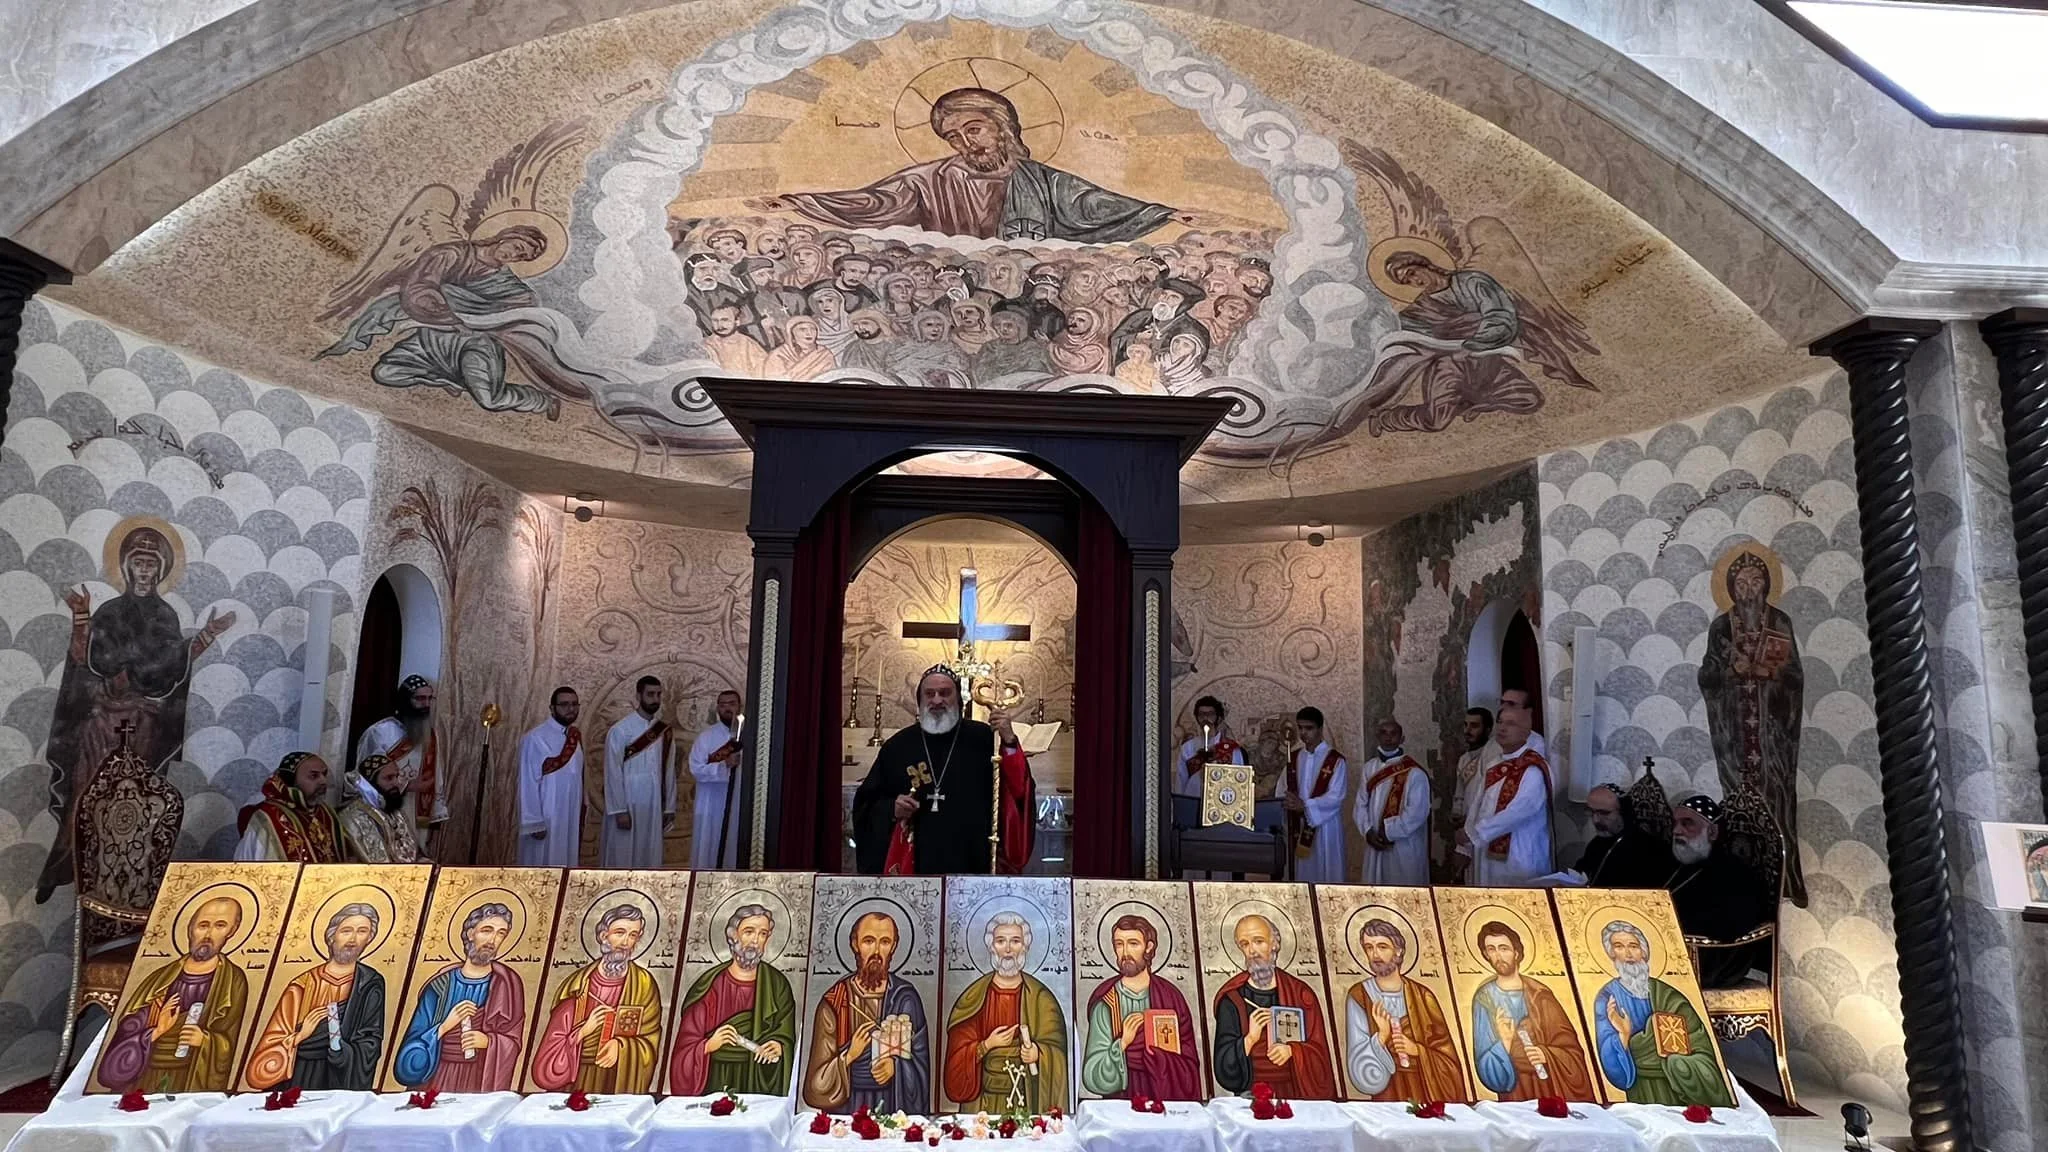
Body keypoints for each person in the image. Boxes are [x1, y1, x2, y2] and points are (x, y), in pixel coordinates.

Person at [38, 525, 233, 901]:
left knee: (133, 802)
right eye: (138, 563)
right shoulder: (110, 611)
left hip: (142, 724)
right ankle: (66, 864)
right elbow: (84, 659)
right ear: (127, 568)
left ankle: (125, 884)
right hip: (103, 721)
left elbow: (176, 662)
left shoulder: (164, 616)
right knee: (86, 793)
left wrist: (208, 635)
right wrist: (81, 616)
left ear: (160, 571)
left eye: (151, 565)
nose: (144, 571)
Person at [752, 88, 1184, 243]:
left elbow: (1094, 205)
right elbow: (874, 202)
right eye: (953, 137)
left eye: (973, 130)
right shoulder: (931, 179)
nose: (964, 143)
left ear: (1002, 127)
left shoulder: (1042, 181)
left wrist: (1166, 214)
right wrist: (799, 201)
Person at [850, 666, 1033, 876]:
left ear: (959, 700)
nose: (937, 700)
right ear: (919, 700)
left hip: (973, 859)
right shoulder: (898, 747)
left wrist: (1009, 741)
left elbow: (1016, 790)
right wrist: (892, 808)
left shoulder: (985, 739)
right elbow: (866, 805)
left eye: (945, 693)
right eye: (930, 694)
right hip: (915, 865)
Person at [1699, 550, 1806, 905]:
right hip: (1735, 738)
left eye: (1755, 581)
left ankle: (1785, 881)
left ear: (1767, 585)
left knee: (1775, 802)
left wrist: (1767, 672)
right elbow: (1707, 676)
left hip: (1772, 736)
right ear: (1731, 588)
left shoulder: (1780, 622)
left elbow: (1794, 676)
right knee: (1737, 808)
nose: (1748, 589)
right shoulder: (1721, 628)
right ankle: (1739, 881)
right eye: (1741, 583)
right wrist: (1732, 670)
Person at [100, 894, 250, 1093]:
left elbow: (231, 1039)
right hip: (146, 1074)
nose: (208, 934)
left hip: (191, 1076)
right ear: (190, 928)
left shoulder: (232, 981)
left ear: (232, 931)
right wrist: (155, 1032)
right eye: (203, 925)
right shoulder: (160, 979)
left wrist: (205, 1041)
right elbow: (126, 1032)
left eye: (220, 926)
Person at [1589, 921, 1732, 1107]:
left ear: (1644, 951)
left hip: (1677, 1078)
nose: (1629, 954)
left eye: (1634, 946)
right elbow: (1607, 1055)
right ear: (1611, 954)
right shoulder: (1607, 997)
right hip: (1642, 1082)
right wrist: (1623, 1035)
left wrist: (1680, 1063)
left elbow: (1698, 1039)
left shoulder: (1666, 993)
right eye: (1619, 947)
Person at [245, 903, 386, 1091]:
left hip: (339, 1076)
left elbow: (370, 1041)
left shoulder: (370, 983)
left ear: (369, 938)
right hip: (296, 1074)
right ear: (331, 935)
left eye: (362, 932)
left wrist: (342, 1051)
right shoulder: (302, 984)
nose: (353, 939)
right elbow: (269, 1048)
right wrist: (301, 1036)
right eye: (346, 931)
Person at [802, 911, 931, 1114]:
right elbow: (815, 1086)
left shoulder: (906, 998)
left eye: (885, 942)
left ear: (894, 946)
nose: (877, 951)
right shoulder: (836, 1001)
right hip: (847, 1108)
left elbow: (921, 1066)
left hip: (893, 1105)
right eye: (869, 941)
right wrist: (849, 1056)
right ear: (855, 944)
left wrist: (896, 1067)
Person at [393, 902, 527, 1092]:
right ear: (471, 933)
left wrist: (489, 1042)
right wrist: (445, 1026)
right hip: (436, 1079)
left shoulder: (508, 985)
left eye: (501, 933)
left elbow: (514, 1040)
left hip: (479, 1079)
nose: (493, 940)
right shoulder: (439, 986)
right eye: (486, 930)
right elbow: (408, 1057)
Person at [531, 904, 665, 1093]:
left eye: (633, 935)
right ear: (604, 936)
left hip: (617, 1078)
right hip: (574, 1076)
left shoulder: (643, 984)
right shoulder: (576, 986)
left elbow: (649, 1038)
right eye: (619, 932)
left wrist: (621, 1047)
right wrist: (582, 1032)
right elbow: (549, 1052)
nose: (626, 942)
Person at [943, 913, 1069, 1114]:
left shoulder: (1042, 999)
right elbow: (956, 1060)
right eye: (1001, 941)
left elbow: (1059, 1053)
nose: (1008, 949)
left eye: (1016, 941)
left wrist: (1039, 1053)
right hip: (982, 1104)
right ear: (991, 946)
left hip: (1027, 1100)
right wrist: (986, 1045)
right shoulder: (973, 998)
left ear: (1025, 946)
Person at [669, 903, 797, 1096]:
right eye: (749, 931)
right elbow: (684, 1049)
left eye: (763, 934)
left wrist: (779, 1045)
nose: (755, 940)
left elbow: (785, 1033)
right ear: (733, 935)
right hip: (714, 1079)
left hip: (757, 1080)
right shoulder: (710, 985)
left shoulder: (778, 985)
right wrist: (708, 1045)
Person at [1209, 914, 1336, 1099]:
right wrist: (1250, 1039)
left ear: (1274, 943)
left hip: (1297, 1091)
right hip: (1251, 1093)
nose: (1252, 950)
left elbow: (1320, 1054)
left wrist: (1293, 1051)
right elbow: (1223, 1066)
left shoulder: (1301, 994)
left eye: (1258, 941)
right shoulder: (1232, 998)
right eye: (1245, 944)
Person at [1342, 919, 1465, 1103]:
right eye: (1369, 947)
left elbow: (1449, 1060)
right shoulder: (1359, 996)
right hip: (1387, 1094)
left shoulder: (1423, 997)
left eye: (1382, 946)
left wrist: (1416, 1050)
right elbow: (1359, 1069)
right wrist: (1382, 1036)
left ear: (1398, 950)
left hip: (1426, 1089)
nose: (1375, 954)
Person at [1468, 921, 1593, 1101]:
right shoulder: (1484, 999)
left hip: (1551, 1086)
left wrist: (1546, 1054)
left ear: (1516, 952)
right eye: (1491, 949)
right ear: (1486, 955)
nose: (1498, 956)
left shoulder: (1540, 994)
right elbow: (1484, 1064)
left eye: (1504, 948)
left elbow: (1572, 1051)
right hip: (1515, 1093)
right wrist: (1504, 1041)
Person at [1080, 914, 1201, 1100]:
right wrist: (1122, 1043)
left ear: (1149, 947)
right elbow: (1092, 1074)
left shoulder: (1171, 998)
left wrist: (1160, 1059)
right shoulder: (1106, 1002)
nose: (1125, 952)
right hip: (1119, 1102)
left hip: (1165, 1102)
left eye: (1133, 943)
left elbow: (1190, 1066)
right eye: (1119, 944)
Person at [1663, 795, 1771, 989]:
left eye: (1687, 824)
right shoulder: (1679, 868)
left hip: (1716, 963)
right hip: (1678, 953)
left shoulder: (1735, 875)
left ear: (1712, 832)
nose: (1677, 831)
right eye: (1676, 823)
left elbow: (1728, 928)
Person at [1461, 690, 1552, 885]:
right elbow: (1475, 805)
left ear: (1526, 731)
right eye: (1500, 723)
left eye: (1510, 724)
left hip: (1519, 854)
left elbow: (1521, 811)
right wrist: (1465, 845)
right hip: (1484, 851)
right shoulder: (1494, 763)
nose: (1502, 729)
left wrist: (1477, 832)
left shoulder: (1533, 768)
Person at [353, 674, 442, 848]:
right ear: (405, 701)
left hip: (418, 809)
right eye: (420, 699)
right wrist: (407, 785)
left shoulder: (429, 734)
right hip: (388, 806)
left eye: (429, 698)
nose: (426, 704)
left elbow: (436, 772)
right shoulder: (380, 732)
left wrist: (436, 812)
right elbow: (366, 776)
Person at [603, 676, 676, 869]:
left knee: (649, 856)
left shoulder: (664, 731)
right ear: (638, 695)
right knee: (623, 855)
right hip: (628, 803)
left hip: (653, 805)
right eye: (650, 694)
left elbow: (668, 770)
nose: (655, 699)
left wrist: (669, 806)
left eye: (659, 694)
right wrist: (619, 810)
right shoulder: (620, 730)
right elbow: (612, 771)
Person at [1351, 719, 1430, 886]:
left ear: (1402, 738)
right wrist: (1367, 831)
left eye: (1393, 733)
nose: (1388, 738)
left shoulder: (1415, 773)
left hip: (1403, 846)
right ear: (1377, 737)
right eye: (1383, 733)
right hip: (1374, 843)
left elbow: (1417, 813)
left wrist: (1389, 833)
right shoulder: (1369, 768)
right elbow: (1360, 804)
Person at [1277, 707, 1347, 884]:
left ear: (1320, 729)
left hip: (1325, 825)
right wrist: (1287, 802)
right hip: (1298, 825)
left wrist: (1306, 805)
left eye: (1309, 728)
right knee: (1300, 874)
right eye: (1300, 728)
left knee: (1325, 874)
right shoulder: (1293, 758)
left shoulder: (1335, 760)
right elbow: (1282, 788)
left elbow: (1336, 796)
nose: (1303, 733)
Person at [234, 751, 342, 864]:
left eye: (324, 774)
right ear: (291, 781)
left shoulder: (326, 814)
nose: (323, 781)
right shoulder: (268, 818)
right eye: (314, 776)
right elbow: (250, 866)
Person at [518, 687, 584, 867]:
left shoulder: (574, 738)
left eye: (574, 704)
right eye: (564, 704)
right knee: (541, 863)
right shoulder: (536, 738)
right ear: (552, 708)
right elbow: (527, 781)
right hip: (546, 814)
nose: (570, 709)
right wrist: (533, 821)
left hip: (570, 814)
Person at [1567, 783, 1666, 888]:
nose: (1595, 820)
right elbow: (1578, 873)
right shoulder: (1597, 843)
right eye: (1591, 811)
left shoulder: (1649, 849)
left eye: (1604, 813)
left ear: (1623, 813)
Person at [687, 691, 743, 868]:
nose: (728, 708)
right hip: (711, 803)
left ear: (739, 706)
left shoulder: (752, 735)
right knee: (710, 848)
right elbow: (696, 769)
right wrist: (723, 765)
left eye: (732, 703)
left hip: (739, 802)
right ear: (718, 708)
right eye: (723, 704)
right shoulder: (706, 738)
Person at [337, 753, 422, 864]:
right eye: (389, 778)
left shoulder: (395, 812)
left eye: (397, 777)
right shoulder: (353, 816)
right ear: (370, 783)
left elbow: (415, 854)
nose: (396, 783)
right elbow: (377, 863)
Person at [1447, 707, 1494, 879]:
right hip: (1466, 827)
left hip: (1484, 825)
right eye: (1466, 725)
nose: (1468, 731)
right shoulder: (1464, 759)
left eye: (1474, 726)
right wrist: (1458, 814)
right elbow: (1460, 792)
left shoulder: (1492, 757)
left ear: (1488, 729)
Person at [1174, 695, 1246, 801]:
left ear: (1219, 718)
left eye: (1210, 714)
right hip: (1194, 801)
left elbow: (1239, 781)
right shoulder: (1188, 748)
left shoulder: (1232, 749)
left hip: (1223, 803)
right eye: (1201, 715)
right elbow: (1181, 782)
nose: (1205, 719)